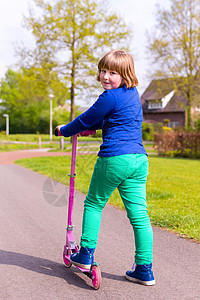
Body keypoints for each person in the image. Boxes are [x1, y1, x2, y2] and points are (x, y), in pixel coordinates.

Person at [56, 50, 155, 286]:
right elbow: (113, 119)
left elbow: (85, 119)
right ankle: (144, 268)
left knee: (93, 203)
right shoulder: (132, 94)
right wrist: (95, 128)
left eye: (112, 72)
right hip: (139, 161)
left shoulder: (107, 97)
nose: (105, 77)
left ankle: (85, 254)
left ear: (125, 74)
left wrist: (64, 130)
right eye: (103, 71)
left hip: (114, 159)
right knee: (140, 215)